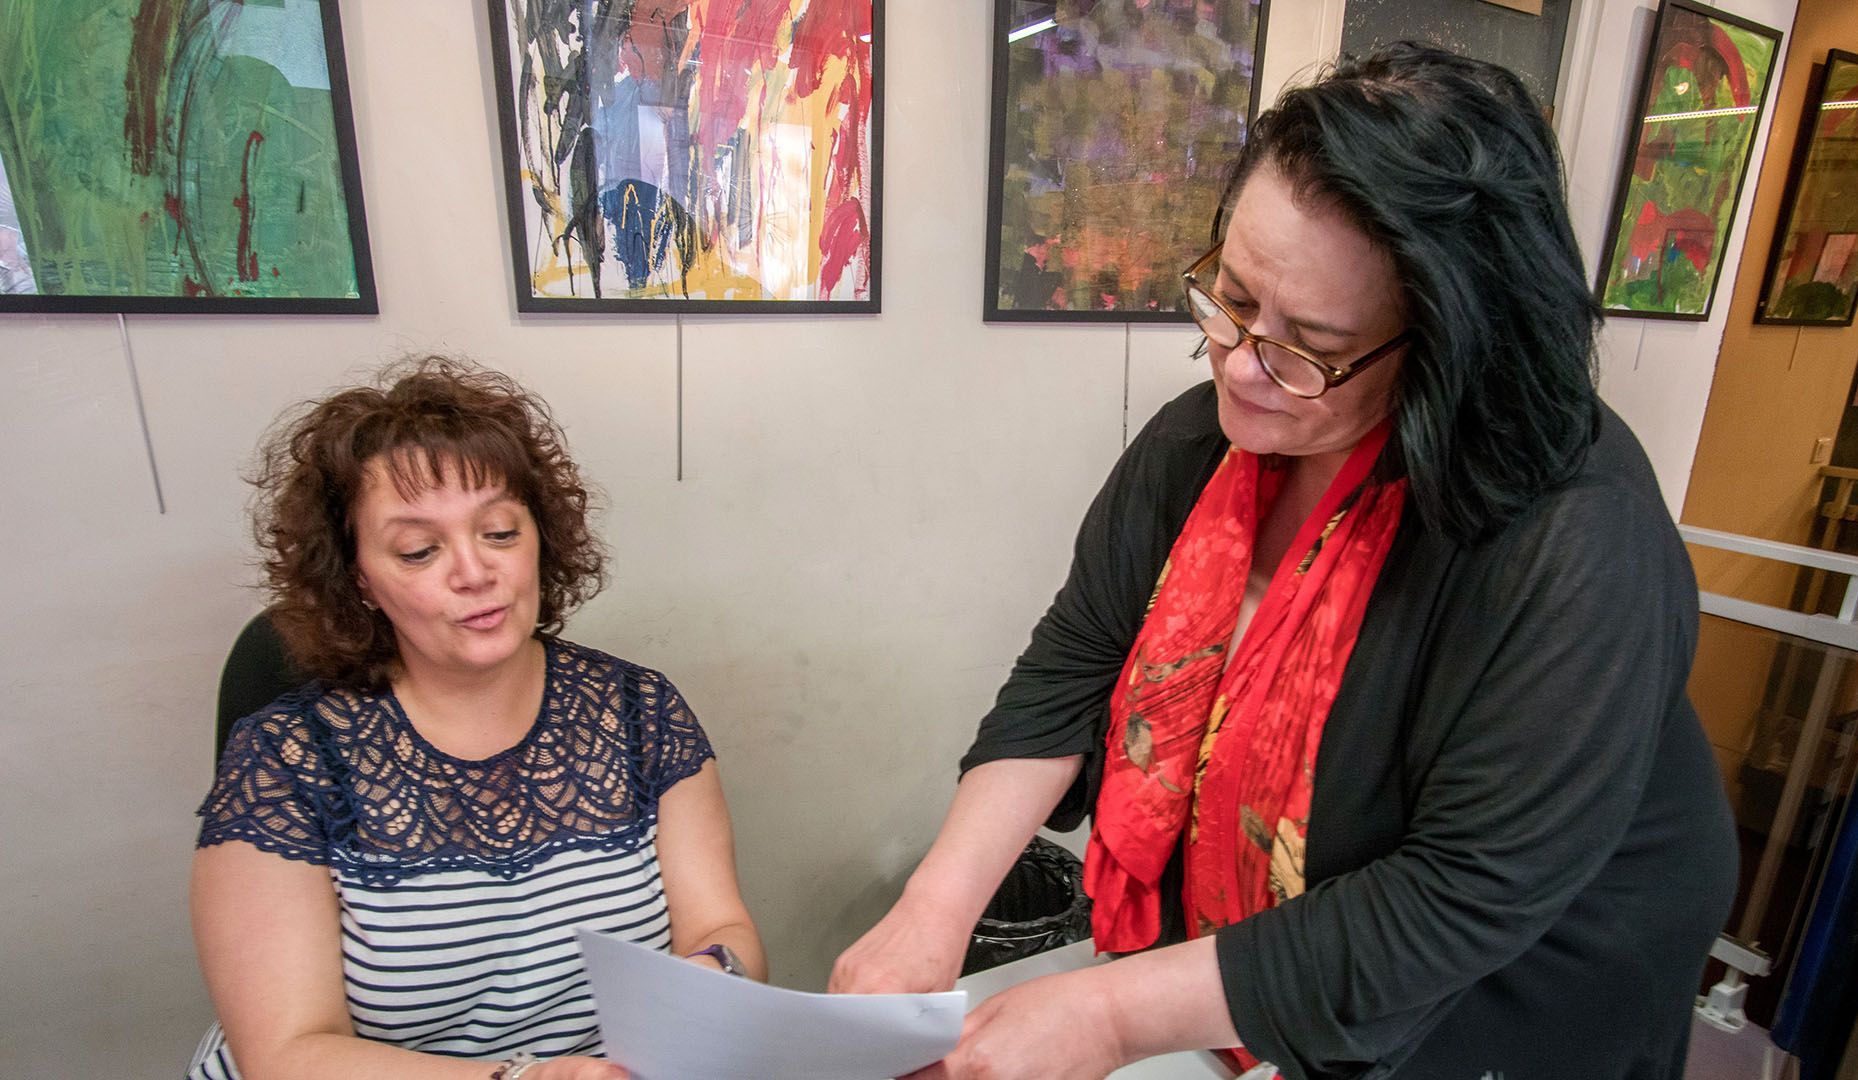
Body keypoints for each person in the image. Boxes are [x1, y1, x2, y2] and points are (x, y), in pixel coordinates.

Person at [832, 43, 1738, 1079]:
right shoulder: (1199, 445)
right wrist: (933, 909)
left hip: (1519, 988)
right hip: (1288, 946)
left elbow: (1449, 900)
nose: (1238, 363)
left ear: (1446, 349)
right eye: (1230, 296)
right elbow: (1073, 667)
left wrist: (1112, 1015)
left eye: (1308, 343)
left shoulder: (1574, 544)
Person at [187, 357, 763, 1080]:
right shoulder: (287, 760)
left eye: (499, 533)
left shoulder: (640, 712)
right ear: (359, 577)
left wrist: (716, 973)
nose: (473, 571)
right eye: (420, 550)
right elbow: (289, 1053)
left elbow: (719, 926)